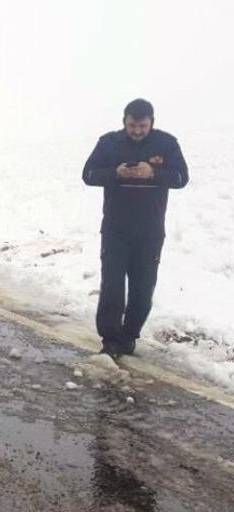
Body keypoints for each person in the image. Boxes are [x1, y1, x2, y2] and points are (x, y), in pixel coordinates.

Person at [82, 98, 188, 358]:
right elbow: (88, 174)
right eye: (132, 125)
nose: (137, 131)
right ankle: (110, 340)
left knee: (142, 288)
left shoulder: (167, 143)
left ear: (152, 122)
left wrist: (153, 173)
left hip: (150, 233)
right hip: (115, 230)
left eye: (142, 125)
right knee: (112, 288)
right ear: (124, 122)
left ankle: (129, 337)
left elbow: (181, 178)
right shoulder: (109, 143)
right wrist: (115, 173)